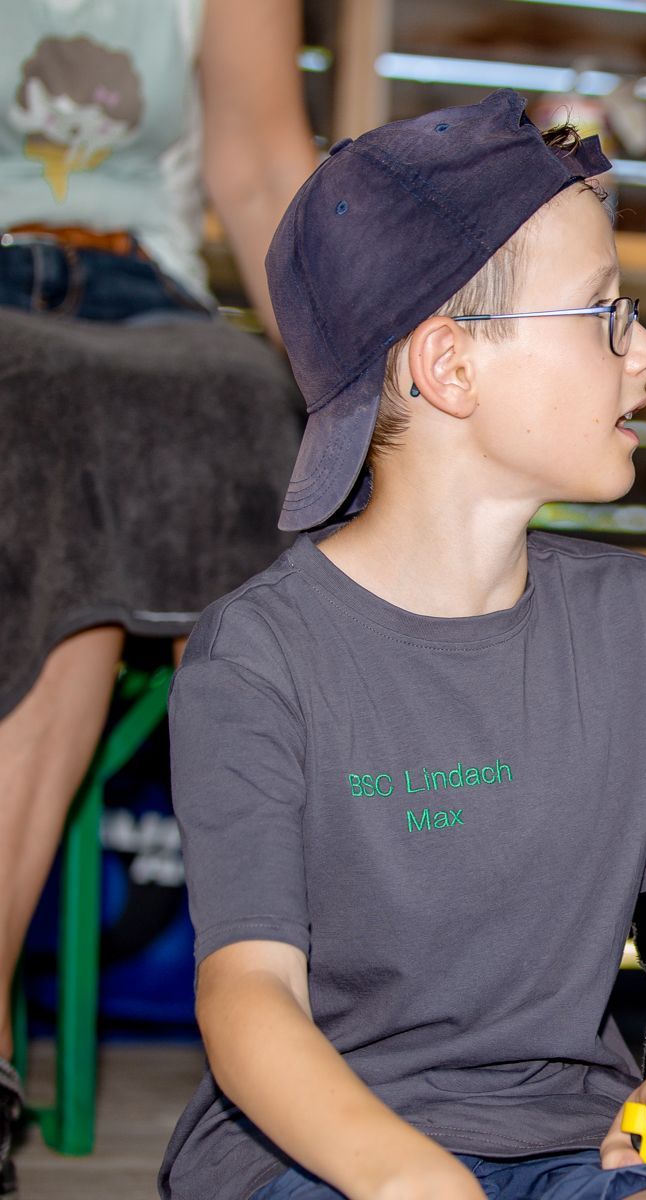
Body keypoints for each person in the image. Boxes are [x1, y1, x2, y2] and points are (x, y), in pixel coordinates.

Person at [156, 91, 646, 1200]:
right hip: (321, 1156)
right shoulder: (256, 658)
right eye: (606, 313)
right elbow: (248, 995)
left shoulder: (639, 622)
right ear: (450, 367)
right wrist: (409, 1178)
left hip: (577, 1144)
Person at [0, 2, 315, 1191]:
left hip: (153, 301)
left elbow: (262, 166)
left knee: (253, 411)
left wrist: (366, 399)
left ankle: (310, 1028)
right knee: (37, 429)